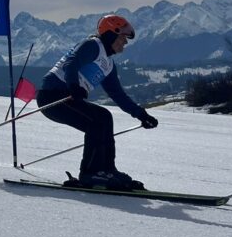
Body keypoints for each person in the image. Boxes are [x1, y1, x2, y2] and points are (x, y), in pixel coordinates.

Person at [36, 13, 158, 190]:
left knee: (104, 117)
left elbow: (118, 95)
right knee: (97, 120)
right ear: (111, 34)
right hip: (52, 97)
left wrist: (141, 114)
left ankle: (107, 170)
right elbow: (71, 64)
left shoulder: (108, 64)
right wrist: (73, 86)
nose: (125, 42)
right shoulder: (93, 45)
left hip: (68, 97)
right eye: (123, 37)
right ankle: (90, 174)